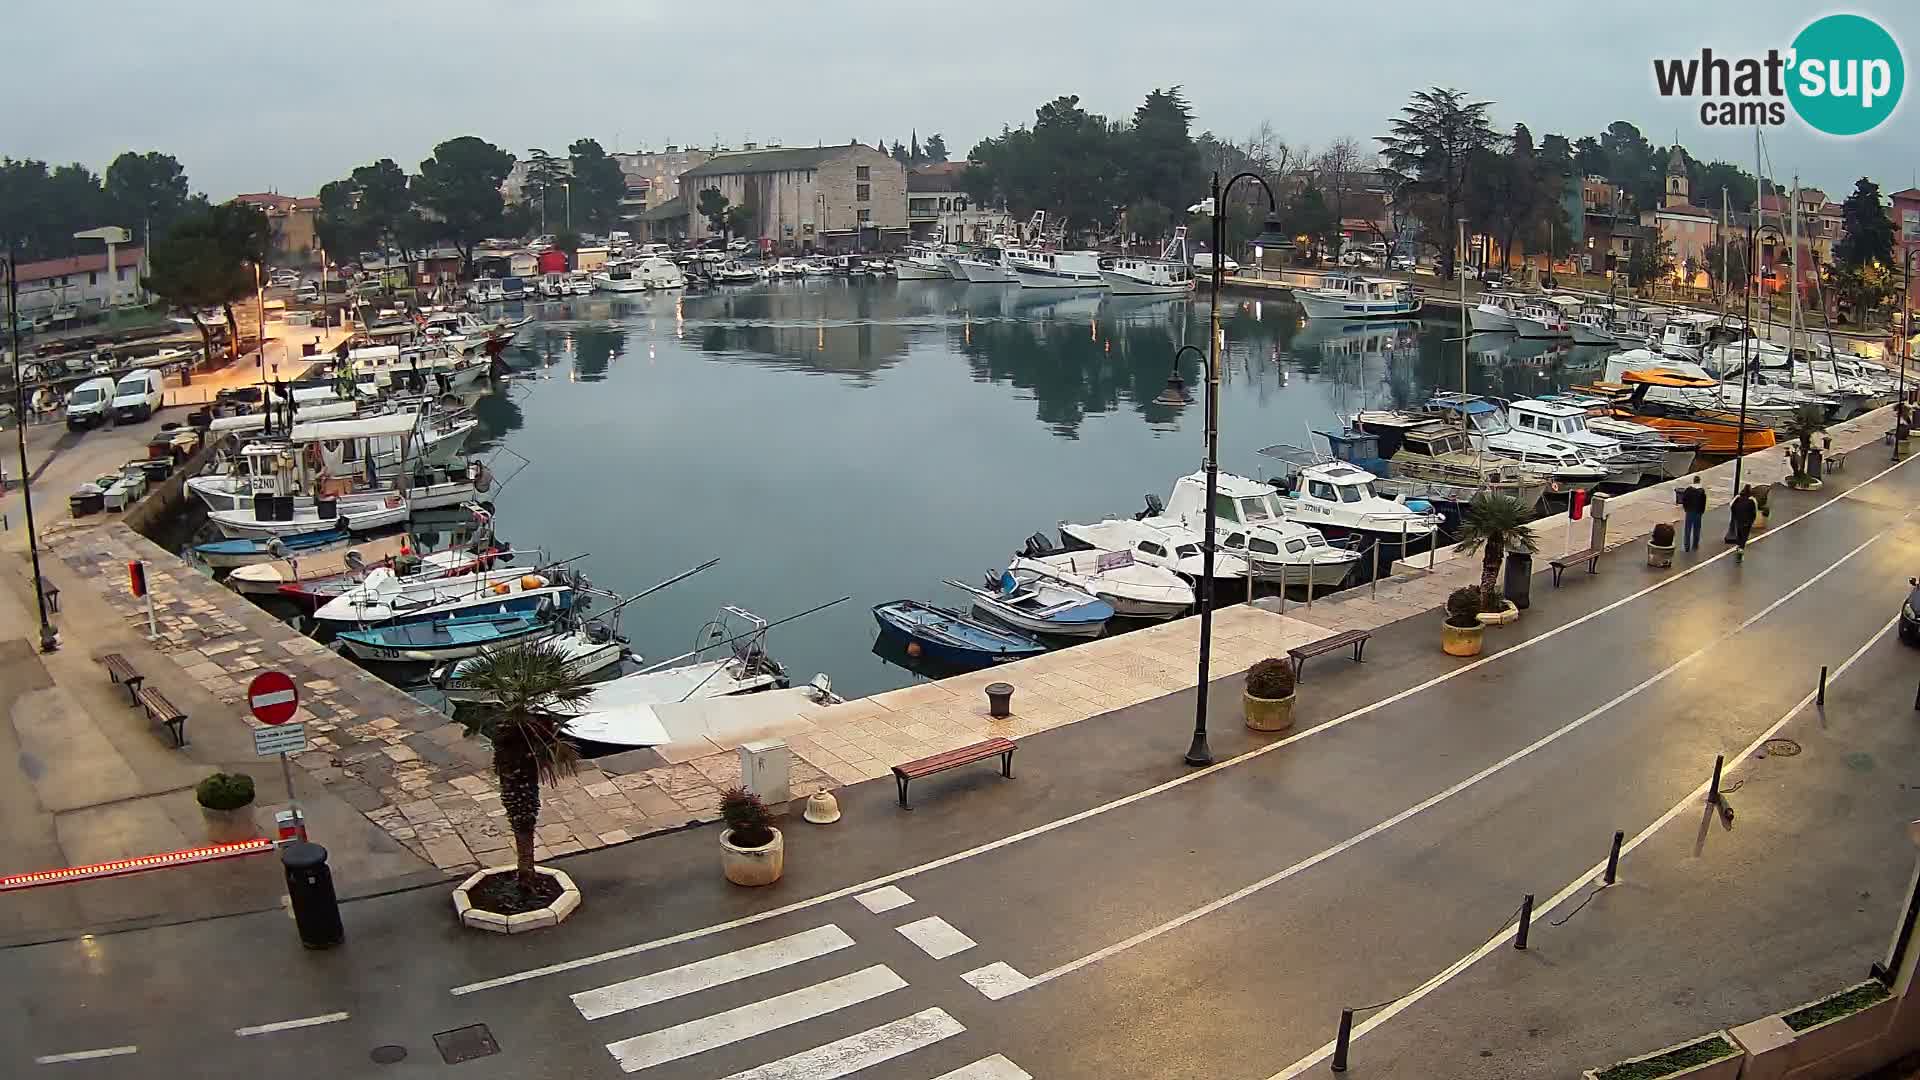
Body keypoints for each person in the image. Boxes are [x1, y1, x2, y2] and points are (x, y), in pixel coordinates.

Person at [1680, 476, 1708, 552]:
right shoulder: (1702, 491)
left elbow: (1684, 500)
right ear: (1699, 481)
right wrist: (1702, 511)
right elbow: (1703, 503)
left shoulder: (1688, 490)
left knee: (1687, 529)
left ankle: (1687, 546)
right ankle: (1695, 545)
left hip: (1689, 511)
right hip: (1698, 512)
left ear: (1693, 481)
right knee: (1697, 529)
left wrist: (1686, 508)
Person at [1730, 485, 1758, 557]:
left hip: (1739, 519)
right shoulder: (1752, 500)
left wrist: (1735, 515)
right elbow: (1754, 511)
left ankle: (1739, 546)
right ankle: (1741, 548)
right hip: (1747, 521)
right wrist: (1752, 520)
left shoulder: (1738, 498)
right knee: (1745, 535)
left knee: (1739, 533)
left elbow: (1731, 505)